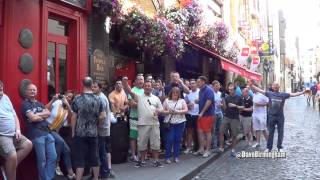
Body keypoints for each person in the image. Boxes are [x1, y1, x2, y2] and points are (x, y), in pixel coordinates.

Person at [249, 81, 305, 152]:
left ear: (279, 87)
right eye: (274, 85)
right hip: (271, 116)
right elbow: (260, 90)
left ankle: (280, 147)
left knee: (280, 132)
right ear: (272, 87)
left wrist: (302, 92)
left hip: (280, 116)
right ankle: (269, 148)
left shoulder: (283, 95)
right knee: (270, 132)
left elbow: (293, 94)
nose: (275, 87)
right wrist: (252, 86)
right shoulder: (269, 93)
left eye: (277, 85)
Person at [122, 77, 164, 168]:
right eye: (146, 86)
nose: (147, 87)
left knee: (156, 143)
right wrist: (125, 83)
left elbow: (161, 109)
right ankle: (142, 161)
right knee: (142, 144)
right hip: (142, 124)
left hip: (154, 124)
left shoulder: (156, 98)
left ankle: (156, 161)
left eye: (149, 86)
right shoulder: (139, 97)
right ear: (144, 88)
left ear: (152, 87)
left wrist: (158, 110)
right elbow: (129, 91)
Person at [71, 77, 106, 180]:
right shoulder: (99, 99)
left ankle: (78, 178)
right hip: (93, 132)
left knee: (80, 158)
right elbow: (103, 116)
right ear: (92, 85)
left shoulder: (77, 98)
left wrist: (73, 131)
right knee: (94, 157)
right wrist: (98, 125)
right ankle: (96, 178)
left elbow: (74, 116)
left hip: (80, 133)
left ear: (83, 85)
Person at [21, 83, 57, 180]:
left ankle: (47, 178)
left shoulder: (40, 103)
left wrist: (36, 115)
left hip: (47, 133)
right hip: (36, 134)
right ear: (26, 92)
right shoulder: (25, 104)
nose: (33, 91)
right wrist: (40, 115)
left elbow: (48, 113)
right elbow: (32, 118)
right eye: (31, 90)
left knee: (53, 156)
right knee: (42, 160)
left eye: (34, 90)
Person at [0, 81, 32, 180]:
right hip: (2, 135)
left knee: (28, 144)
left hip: (14, 133)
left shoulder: (5, 97)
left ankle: (9, 167)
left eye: (1, 89)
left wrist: (18, 129)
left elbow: (14, 115)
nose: (1, 92)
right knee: (12, 156)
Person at [45, 93, 75, 179]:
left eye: (70, 97)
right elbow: (45, 109)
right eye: (67, 96)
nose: (68, 98)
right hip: (46, 128)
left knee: (67, 150)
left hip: (54, 131)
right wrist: (53, 100)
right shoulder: (57, 102)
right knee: (61, 142)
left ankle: (70, 174)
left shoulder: (68, 109)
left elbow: (70, 117)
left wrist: (67, 105)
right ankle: (56, 166)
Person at [93, 81, 115, 179]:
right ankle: (103, 172)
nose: (93, 88)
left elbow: (102, 116)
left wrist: (98, 128)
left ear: (100, 88)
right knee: (102, 150)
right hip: (104, 127)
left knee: (101, 151)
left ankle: (104, 173)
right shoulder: (100, 97)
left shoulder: (101, 98)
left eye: (95, 87)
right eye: (92, 86)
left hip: (102, 128)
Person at [162, 87, 188, 163]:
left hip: (180, 123)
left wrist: (177, 111)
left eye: (177, 93)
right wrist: (169, 112)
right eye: (174, 93)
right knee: (170, 140)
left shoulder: (182, 100)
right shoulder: (167, 100)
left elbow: (186, 110)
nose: (175, 94)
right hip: (170, 123)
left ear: (179, 94)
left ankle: (176, 156)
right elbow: (162, 111)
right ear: (171, 93)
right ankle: (167, 157)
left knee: (177, 140)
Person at [217, 83, 243, 157]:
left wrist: (235, 106)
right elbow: (225, 109)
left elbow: (242, 107)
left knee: (234, 134)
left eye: (231, 89)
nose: (230, 91)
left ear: (234, 90)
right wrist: (222, 103)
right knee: (221, 131)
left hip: (235, 118)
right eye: (229, 89)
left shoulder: (239, 97)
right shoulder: (226, 98)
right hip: (227, 117)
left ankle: (233, 150)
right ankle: (221, 148)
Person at [193, 76, 215, 158]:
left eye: (198, 82)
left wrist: (202, 112)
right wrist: (198, 101)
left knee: (207, 132)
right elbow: (204, 100)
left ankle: (208, 150)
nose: (197, 83)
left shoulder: (209, 90)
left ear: (203, 82)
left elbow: (209, 102)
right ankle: (201, 149)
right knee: (200, 132)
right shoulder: (200, 91)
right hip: (201, 115)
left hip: (208, 115)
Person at [128, 74, 144, 162]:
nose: (141, 81)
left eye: (142, 79)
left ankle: (140, 154)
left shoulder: (145, 90)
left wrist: (138, 103)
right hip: (134, 117)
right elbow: (131, 104)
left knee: (142, 137)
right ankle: (133, 155)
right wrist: (142, 104)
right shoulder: (133, 90)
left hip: (143, 118)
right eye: (139, 79)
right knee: (133, 137)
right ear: (136, 81)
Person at [184, 79, 199, 154]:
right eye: (190, 84)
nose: (192, 85)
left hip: (198, 115)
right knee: (189, 132)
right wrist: (188, 105)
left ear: (196, 84)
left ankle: (197, 148)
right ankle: (189, 147)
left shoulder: (200, 92)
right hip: (189, 114)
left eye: (193, 83)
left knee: (197, 132)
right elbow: (184, 104)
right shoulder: (188, 93)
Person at [211, 80, 223, 150]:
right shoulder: (211, 93)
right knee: (214, 129)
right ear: (213, 86)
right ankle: (214, 144)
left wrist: (221, 105)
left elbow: (222, 103)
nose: (218, 87)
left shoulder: (220, 93)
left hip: (219, 113)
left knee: (219, 129)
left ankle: (219, 143)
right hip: (213, 113)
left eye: (218, 85)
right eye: (216, 86)